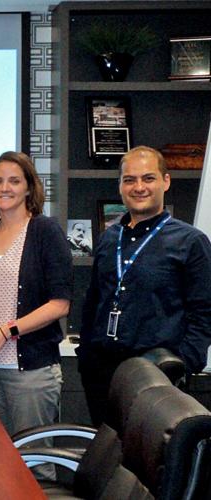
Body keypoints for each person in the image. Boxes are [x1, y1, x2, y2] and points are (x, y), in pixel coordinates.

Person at [78, 146, 211, 426]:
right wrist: (86, 357)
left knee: (149, 463)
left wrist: (182, 365)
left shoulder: (191, 242)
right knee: (105, 460)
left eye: (148, 178)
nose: (139, 187)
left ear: (166, 181)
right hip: (102, 373)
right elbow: (94, 300)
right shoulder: (108, 238)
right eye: (130, 180)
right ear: (120, 186)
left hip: (157, 375)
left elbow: (204, 312)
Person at [0, 152, 71, 445]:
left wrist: (5, 332)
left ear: (29, 188)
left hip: (30, 371)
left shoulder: (45, 231)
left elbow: (60, 303)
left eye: (14, 181)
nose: (4, 188)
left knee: (32, 460)